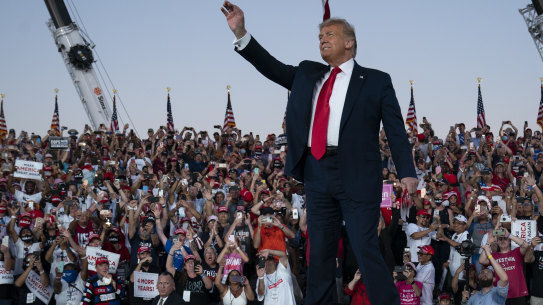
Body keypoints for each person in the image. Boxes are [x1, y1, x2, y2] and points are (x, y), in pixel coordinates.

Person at [221, 2, 418, 304]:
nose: (322, 39)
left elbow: (395, 130)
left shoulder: (377, 80)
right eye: (320, 37)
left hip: (358, 174)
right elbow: (272, 67)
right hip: (317, 173)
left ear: (349, 42)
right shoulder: (308, 73)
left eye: (330, 34)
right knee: (320, 254)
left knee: (366, 248)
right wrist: (241, 32)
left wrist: (406, 171)